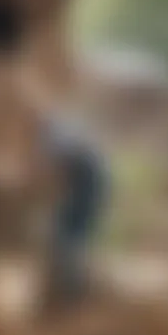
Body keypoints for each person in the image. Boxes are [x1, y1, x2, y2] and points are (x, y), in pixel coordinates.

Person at [37, 100, 110, 312]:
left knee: (67, 237)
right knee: (69, 234)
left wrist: (49, 200)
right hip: (90, 180)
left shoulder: (51, 136)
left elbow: (54, 172)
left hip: (87, 182)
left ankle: (71, 294)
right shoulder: (58, 128)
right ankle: (68, 290)